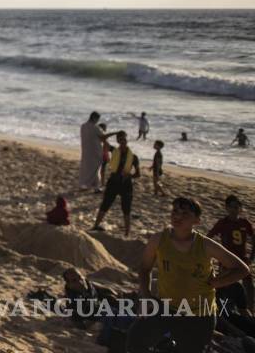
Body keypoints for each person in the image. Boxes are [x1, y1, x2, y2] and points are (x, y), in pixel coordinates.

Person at [127, 196, 250, 353]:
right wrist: (146, 296)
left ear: (197, 221)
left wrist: (217, 283)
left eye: (185, 214)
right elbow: (144, 268)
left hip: (199, 315)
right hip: (166, 307)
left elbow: (242, 269)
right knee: (135, 339)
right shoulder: (158, 240)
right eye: (175, 211)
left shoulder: (206, 245)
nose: (177, 216)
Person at [207, 195, 254, 314]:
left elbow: (253, 239)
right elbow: (208, 238)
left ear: (240, 208)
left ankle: (250, 309)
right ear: (226, 208)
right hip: (226, 259)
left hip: (242, 259)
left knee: (248, 283)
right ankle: (220, 308)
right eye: (231, 207)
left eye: (237, 207)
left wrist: (251, 258)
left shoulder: (245, 223)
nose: (234, 209)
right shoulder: (222, 223)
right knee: (223, 284)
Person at [92, 130, 141, 236]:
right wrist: (115, 133)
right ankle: (96, 225)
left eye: (124, 138)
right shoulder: (113, 150)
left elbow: (138, 174)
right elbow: (102, 139)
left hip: (126, 184)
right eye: (120, 139)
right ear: (118, 141)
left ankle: (127, 233)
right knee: (105, 204)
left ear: (126, 140)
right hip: (113, 183)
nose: (122, 140)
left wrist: (129, 175)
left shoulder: (134, 157)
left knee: (126, 209)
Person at [79, 112, 119, 190]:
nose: (97, 121)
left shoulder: (83, 126)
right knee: (96, 170)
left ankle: (85, 185)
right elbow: (103, 137)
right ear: (94, 118)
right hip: (95, 151)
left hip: (86, 150)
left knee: (86, 169)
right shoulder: (95, 127)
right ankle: (96, 187)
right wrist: (114, 133)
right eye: (97, 119)